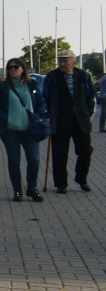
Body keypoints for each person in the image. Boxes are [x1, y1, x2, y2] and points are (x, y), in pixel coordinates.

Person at [0, 59, 48, 202]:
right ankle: (17, 190)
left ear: (23, 69)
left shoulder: (32, 84)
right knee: (14, 161)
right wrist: (7, 120)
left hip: (30, 129)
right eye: (10, 67)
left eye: (16, 67)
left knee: (34, 160)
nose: (13, 69)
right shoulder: (2, 87)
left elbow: (41, 102)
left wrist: (38, 117)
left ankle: (32, 188)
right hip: (11, 131)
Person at [41, 49, 95, 193]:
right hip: (59, 120)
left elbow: (91, 97)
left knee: (86, 151)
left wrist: (87, 113)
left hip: (80, 121)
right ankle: (61, 184)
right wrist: (47, 114)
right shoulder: (52, 77)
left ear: (73, 61)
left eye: (65, 60)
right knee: (59, 153)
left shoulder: (83, 76)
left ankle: (81, 179)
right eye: (60, 60)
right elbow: (44, 97)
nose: (62, 63)